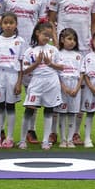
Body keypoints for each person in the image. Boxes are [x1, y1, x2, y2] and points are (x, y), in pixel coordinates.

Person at [19, 22, 62, 150]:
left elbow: (61, 67)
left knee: (49, 110)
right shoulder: (30, 51)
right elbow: (25, 70)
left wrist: (50, 64)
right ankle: (22, 140)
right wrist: (36, 63)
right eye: (44, 35)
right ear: (37, 33)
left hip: (51, 82)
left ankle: (45, 140)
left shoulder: (53, 50)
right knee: (29, 109)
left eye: (49, 36)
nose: (46, 38)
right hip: (36, 82)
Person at [0, 13, 25, 147]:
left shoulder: (20, 41)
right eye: (5, 23)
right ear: (1, 25)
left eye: (11, 23)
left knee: (10, 106)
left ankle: (9, 137)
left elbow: (21, 63)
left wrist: (19, 82)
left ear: (16, 25)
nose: (8, 26)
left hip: (13, 75)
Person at [55, 29, 84, 149]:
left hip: (75, 86)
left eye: (74, 40)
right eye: (69, 39)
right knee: (62, 114)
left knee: (72, 114)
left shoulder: (79, 56)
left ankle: (70, 139)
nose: (72, 42)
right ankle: (62, 139)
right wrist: (63, 87)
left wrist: (77, 88)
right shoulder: (58, 54)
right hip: (62, 86)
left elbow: (82, 73)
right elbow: (55, 73)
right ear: (62, 40)